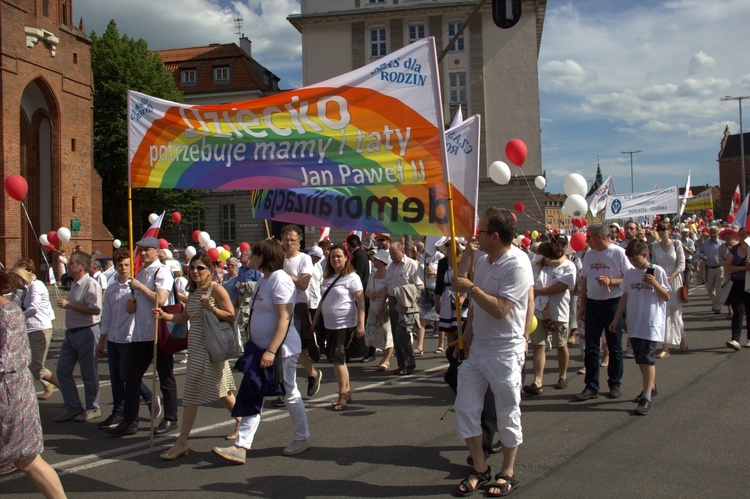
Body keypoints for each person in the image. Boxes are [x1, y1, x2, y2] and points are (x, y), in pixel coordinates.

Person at [451, 207, 533, 497]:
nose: (476, 235)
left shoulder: (518, 264)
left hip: (506, 351)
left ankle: (507, 472)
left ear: (494, 236)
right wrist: (466, 335)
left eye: (481, 231)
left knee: (507, 412)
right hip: (479, 350)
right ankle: (481, 467)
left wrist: (471, 288)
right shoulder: (483, 261)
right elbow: (474, 306)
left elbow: (500, 309)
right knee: (464, 407)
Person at [212, 240, 311, 464]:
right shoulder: (263, 280)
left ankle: (302, 437)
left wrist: (271, 350)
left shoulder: (280, 279)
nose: (250, 257)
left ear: (263, 257)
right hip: (259, 349)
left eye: (254, 254)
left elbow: (285, 318)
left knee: (288, 392)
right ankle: (241, 446)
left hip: (280, 350)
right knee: (252, 391)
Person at [152, 252, 239, 460]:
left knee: (192, 393)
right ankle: (242, 421)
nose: (195, 272)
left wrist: (212, 308)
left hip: (211, 348)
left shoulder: (215, 289)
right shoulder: (193, 292)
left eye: (200, 268)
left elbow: (231, 315)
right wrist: (166, 316)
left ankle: (181, 442)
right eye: (192, 268)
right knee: (222, 391)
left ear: (210, 270)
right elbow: (184, 317)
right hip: (196, 346)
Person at [0, 270, 66, 496]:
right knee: (26, 459)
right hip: (9, 391)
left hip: (10, 396)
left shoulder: (8, 312)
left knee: (27, 459)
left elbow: (9, 358)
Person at [107, 237, 178, 437]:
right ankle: (130, 420)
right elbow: (140, 305)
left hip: (158, 332)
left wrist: (140, 288)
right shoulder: (139, 273)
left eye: (147, 250)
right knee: (131, 377)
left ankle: (171, 418)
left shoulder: (161, 271)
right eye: (141, 250)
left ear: (157, 252)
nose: (143, 253)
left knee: (165, 377)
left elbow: (160, 299)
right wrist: (132, 306)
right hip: (140, 333)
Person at [95, 248, 158, 430]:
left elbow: (147, 307)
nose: (123, 268)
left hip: (129, 338)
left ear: (132, 266)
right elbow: (107, 316)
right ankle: (118, 411)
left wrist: (135, 305)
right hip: (114, 338)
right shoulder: (113, 288)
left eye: (126, 265)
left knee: (127, 376)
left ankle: (148, 396)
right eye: (119, 265)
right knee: (115, 377)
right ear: (114, 267)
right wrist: (102, 340)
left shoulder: (135, 287)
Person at [609, 239, 670, 415]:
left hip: (651, 322)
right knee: (640, 358)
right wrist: (616, 318)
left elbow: (666, 296)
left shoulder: (657, 271)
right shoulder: (630, 274)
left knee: (648, 358)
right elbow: (624, 296)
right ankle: (651, 386)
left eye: (635, 259)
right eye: (631, 260)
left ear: (644, 255)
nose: (633, 263)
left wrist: (655, 283)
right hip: (635, 323)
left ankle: (647, 396)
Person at [575, 223, 632, 401]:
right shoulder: (589, 254)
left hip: (612, 304)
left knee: (614, 346)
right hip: (593, 304)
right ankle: (591, 386)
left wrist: (611, 281)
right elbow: (585, 280)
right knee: (591, 347)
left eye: (589, 236)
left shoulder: (618, 253)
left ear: (599, 237)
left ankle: (615, 383)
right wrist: (582, 304)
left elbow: (629, 278)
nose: (586, 240)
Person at [312, 244, 365, 410]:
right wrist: (314, 320)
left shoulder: (352, 277)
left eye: (339, 256)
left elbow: (360, 302)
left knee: (337, 359)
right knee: (337, 360)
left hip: (345, 324)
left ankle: (342, 394)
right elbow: (322, 301)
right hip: (329, 325)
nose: (335, 259)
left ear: (346, 258)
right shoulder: (327, 278)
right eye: (333, 256)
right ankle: (346, 392)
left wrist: (361, 324)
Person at [54, 251, 103, 422]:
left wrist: (70, 305)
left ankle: (93, 407)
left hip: (86, 332)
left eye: (72, 262)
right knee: (62, 370)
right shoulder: (74, 284)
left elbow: (96, 310)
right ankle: (73, 405)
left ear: (82, 266)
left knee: (88, 373)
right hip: (72, 333)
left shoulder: (90, 284)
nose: (68, 265)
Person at [526, 234, 576, 394]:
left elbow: (561, 287)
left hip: (558, 311)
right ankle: (537, 381)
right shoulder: (539, 264)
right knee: (538, 345)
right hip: (539, 312)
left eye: (562, 244)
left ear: (566, 246)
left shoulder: (568, 266)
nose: (559, 247)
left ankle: (562, 376)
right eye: (556, 244)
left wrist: (538, 291)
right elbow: (530, 280)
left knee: (561, 345)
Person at [281, 225, 323, 397]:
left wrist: (284, 275)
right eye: (286, 239)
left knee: (292, 348)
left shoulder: (304, 259)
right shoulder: (279, 257)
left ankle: (312, 373)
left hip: (296, 307)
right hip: (279, 306)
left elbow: (303, 284)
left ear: (299, 242)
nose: (289, 243)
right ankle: (285, 387)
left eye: (292, 240)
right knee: (281, 349)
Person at [8, 267, 60, 400]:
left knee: (36, 366)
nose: (14, 284)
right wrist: (17, 292)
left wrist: (17, 317)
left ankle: (62, 387)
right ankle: (48, 385)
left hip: (39, 328)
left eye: (15, 281)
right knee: (28, 363)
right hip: (29, 329)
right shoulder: (26, 289)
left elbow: (33, 308)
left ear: (20, 277)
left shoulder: (36, 286)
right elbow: (15, 304)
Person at [383, 241, 423, 375]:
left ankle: (408, 363)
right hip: (393, 300)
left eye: (394, 253)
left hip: (406, 303)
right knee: (396, 334)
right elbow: (387, 286)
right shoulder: (391, 267)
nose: (392, 256)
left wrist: (405, 292)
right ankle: (401, 364)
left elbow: (420, 286)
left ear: (402, 251)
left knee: (403, 333)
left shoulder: (411, 265)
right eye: (390, 254)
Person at [650, 222, 686, 357]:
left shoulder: (677, 244)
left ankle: (681, 337)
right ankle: (665, 347)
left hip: (675, 281)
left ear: (669, 231)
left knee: (675, 313)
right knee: (663, 314)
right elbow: (653, 264)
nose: (661, 232)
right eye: (659, 229)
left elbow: (681, 265)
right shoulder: (654, 246)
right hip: (661, 283)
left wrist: (672, 276)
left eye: (664, 229)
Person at [365, 249, 394, 370]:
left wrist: (382, 294)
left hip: (385, 307)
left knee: (387, 333)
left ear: (382, 262)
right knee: (377, 334)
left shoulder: (389, 274)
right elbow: (366, 291)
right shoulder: (372, 275)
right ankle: (384, 356)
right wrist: (370, 294)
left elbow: (390, 290)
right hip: (373, 307)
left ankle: (386, 359)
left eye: (376, 259)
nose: (373, 260)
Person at [722, 227, 750, 350]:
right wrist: (743, 268)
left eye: (745, 234)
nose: (743, 236)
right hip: (737, 284)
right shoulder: (734, 249)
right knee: (737, 311)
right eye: (741, 234)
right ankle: (735, 339)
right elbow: (727, 267)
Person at [696, 226, 724, 313]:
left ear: (718, 233)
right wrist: (702, 256)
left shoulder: (722, 244)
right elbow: (699, 253)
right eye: (711, 232)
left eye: (714, 233)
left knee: (719, 288)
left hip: (720, 268)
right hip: (709, 269)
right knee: (709, 289)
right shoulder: (705, 244)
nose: (712, 234)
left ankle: (718, 307)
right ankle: (715, 303)